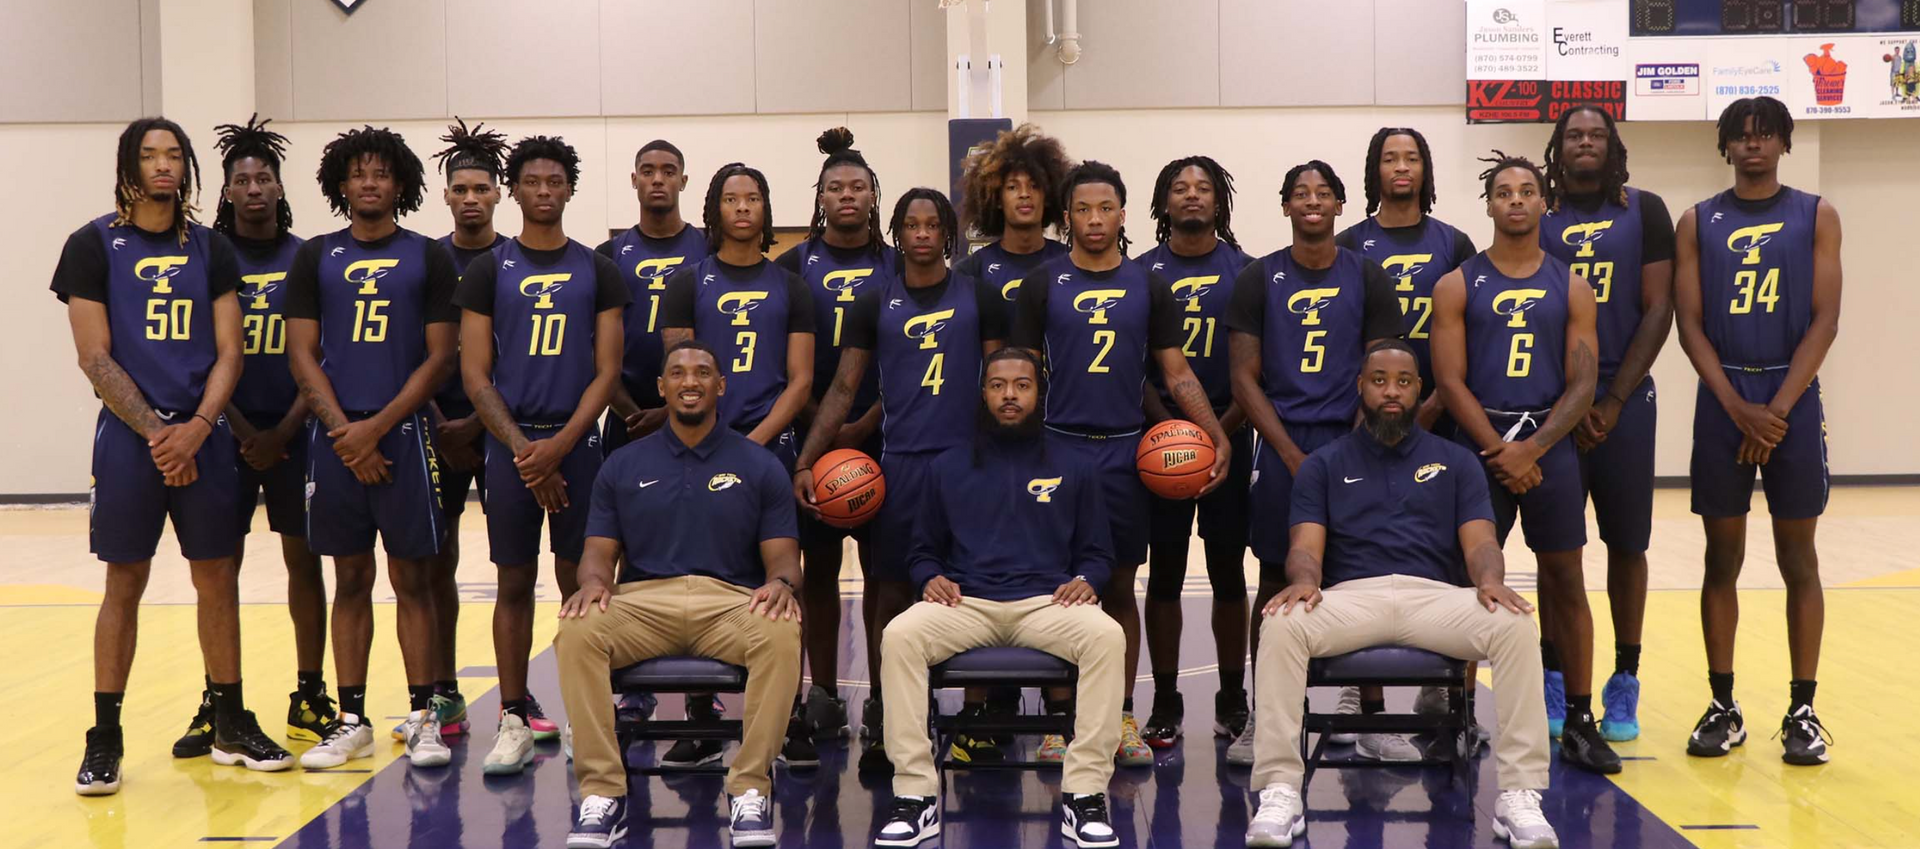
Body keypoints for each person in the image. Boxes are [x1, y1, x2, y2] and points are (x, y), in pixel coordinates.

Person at [1242, 340, 1558, 849]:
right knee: (1280, 622)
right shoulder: (1323, 464)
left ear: (1419, 391)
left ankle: (1519, 795)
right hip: (1351, 598)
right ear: (1360, 388)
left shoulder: (1456, 461)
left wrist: (1490, 580)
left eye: (1404, 382)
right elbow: (1305, 548)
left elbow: (1480, 543)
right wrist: (1303, 580)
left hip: (1433, 597)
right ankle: (1280, 789)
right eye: (1380, 380)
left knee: (1516, 624)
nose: (1392, 391)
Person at [55, 117, 291, 795]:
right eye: (150, 155)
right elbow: (93, 356)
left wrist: (198, 425)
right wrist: (160, 432)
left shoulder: (211, 248)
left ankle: (230, 717)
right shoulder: (91, 244)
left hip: (203, 436)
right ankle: (105, 736)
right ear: (128, 167)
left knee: (217, 578)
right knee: (123, 584)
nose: (164, 166)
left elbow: (231, 350)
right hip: (132, 443)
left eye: (173, 156)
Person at [1010, 160, 1232, 767]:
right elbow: (1020, 376)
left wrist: (1216, 435)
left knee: (1116, 585)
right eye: (1083, 209)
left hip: (1124, 451)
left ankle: (1121, 718)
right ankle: (1064, 721)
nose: (1095, 219)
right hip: (1056, 446)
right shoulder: (1043, 284)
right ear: (1067, 217)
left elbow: (1176, 372)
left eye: (1106, 208)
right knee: (1060, 588)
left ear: (1123, 215)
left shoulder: (1147, 284)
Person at [872, 347, 1125, 849]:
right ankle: (915, 796)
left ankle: (1085, 793)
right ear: (983, 393)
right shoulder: (947, 466)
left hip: (1047, 605)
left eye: (1022, 385)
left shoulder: (1075, 464)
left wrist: (1089, 580)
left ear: (1039, 393)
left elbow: (1098, 553)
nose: (1010, 395)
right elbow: (921, 551)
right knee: (900, 635)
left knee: (1107, 636)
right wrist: (929, 578)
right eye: (998, 385)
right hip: (966, 604)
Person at [555, 339, 803, 849]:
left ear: (721, 386)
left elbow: (783, 558)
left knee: (782, 630)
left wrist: (780, 584)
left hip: (729, 603)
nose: (691, 381)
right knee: (577, 629)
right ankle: (604, 793)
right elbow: (598, 552)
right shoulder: (623, 464)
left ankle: (751, 787)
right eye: (679, 373)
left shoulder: (758, 464)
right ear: (662, 387)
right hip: (645, 603)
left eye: (703, 372)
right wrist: (594, 584)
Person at [793, 188, 1007, 774]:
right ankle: (889, 710)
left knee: (973, 586)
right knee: (890, 588)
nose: (920, 234)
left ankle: (973, 716)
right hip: (903, 462)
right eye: (909, 225)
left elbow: (1001, 378)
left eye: (931, 224)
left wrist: (1007, 460)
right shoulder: (874, 300)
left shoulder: (979, 295)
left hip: (968, 463)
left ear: (946, 234)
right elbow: (842, 388)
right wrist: (808, 459)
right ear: (897, 232)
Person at [1430, 152, 1618, 774]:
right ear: (1488, 205)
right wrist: (1498, 450)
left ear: (1544, 204)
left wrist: (1531, 449)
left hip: (1547, 448)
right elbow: (1449, 381)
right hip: (1479, 447)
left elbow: (1583, 382)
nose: (1515, 200)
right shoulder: (1458, 283)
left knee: (1566, 579)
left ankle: (1581, 720)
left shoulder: (1572, 285)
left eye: (1526, 191)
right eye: (1503, 192)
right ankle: (1456, 716)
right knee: (1467, 584)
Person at [286, 126, 461, 770]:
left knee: (412, 577)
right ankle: (351, 717)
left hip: (405, 435)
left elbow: (441, 357)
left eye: (380, 173)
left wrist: (376, 428)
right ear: (340, 184)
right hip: (335, 436)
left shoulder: (427, 257)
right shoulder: (316, 256)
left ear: (400, 185)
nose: (368, 182)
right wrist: (344, 432)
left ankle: (421, 718)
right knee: (349, 577)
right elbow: (301, 352)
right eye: (357, 173)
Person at [1674, 96, 1840, 765]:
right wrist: (1739, 407)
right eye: (1741, 136)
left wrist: (1774, 408)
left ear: (1783, 142)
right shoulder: (1696, 220)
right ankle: (1724, 702)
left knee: (1798, 558)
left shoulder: (1816, 213)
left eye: (1764, 134)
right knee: (1722, 558)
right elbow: (1689, 324)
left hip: (1789, 399)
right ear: (1725, 145)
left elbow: (1825, 319)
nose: (1752, 145)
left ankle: (1802, 708)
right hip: (1724, 399)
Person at [454, 134, 628, 775]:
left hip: (577, 444)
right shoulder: (485, 270)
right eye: (533, 182)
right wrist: (527, 451)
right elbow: (475, 374)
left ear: (569, 190)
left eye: (556, 182)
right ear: (516, 189)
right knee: (513, 581)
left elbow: (607, 372)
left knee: (583, 583)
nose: (545, 191)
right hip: (513, 446)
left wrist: (558, 447)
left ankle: (587, 717)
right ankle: (513, 717)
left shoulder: (597, 268)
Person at [1222, 160, 1404, 766]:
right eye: (1300, 193)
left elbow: (1382, 370)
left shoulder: (1369, 276)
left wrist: (1349, 445)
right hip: (1283, 441)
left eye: (1323, 193)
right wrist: (1289, 451)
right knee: (1276, 578)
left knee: (1363, 575)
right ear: (1285, 206)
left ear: (1340, 205)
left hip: (1356, 438)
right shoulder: (1259, 277)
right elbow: (1243, 378)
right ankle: (1266, 717)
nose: (1311, 201)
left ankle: (1369, 713)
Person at [659, 162, 816, 767]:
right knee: (701, 570)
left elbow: (800, 378)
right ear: (715, 208)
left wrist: (752, 444)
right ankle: (701, 715)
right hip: (698, 446)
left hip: (767, 447)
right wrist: (718, 441)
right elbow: (681, 377)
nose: (743, 208)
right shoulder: (687, 281)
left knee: (778, 583)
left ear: (767, 208)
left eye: (753, 198)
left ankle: (789, 715)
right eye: (732, 198)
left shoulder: (791, 284)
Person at [1540, 104, 1676, 742]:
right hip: (1553, 406)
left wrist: (1614, 399)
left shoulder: (1644, 210)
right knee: (1556, 550)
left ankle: (1625, 674)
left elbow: (1658, 310)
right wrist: (1570, 401)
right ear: (1558, 148)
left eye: (1596, 134)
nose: (1585, 143)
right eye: (1574, 135)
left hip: (1622, 401)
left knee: (1628, 545)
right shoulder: (1537, 213)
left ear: (1612, 143)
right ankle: (1553, 671)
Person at [205, 115, 337, 748]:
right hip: (224, 433)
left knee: (303, 564)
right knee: (217, 569)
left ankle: (309, 691)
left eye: (265, 178)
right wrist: (235, 424)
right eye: (242, 179)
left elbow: (319, 357)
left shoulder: (305, 257)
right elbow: (200, 356)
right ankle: (218, 701)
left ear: (281, 189)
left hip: (296, 430)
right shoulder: (204, 255)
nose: (254, 188)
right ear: (226, 192)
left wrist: (282, 429)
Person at [774, 128, 899, 751]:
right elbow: (783, 364)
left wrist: (866, 419)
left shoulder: (901, 263)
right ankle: (821, 694)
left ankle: (884, 697)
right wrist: (820, 430)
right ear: (818, 198)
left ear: (875, 196)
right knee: (816, 572)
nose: (846, 195)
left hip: (885, 438)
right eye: (834, 187)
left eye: (858, 186)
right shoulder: (793, 267)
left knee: (885, 577)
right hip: (809, 442)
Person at [1134, 155, 1254, 748]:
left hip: (1232, 436)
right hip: (1161, 443)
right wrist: (1174, 430)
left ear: (1219, 200)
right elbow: (1136, 372)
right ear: (1163, 201)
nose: (1191, 196)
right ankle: (1164, 696)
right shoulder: (1137, 273)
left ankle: (1233, 694)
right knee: (1164, 577)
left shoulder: (1247, 272)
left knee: (1230, 575)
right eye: (1178, 187)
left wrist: (1219, 434)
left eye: (1203, 187)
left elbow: (1255, 371)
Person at [407, 117, 512, 743]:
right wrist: (442, 421)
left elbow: (527, 353)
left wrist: (482, 419)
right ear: (445, 195)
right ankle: (444, 691)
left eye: (481, 188)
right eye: (460, 189)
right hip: (436, 428)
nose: (471, 197)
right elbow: (414, 351)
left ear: (498, 193)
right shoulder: (426, 259)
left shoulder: (519, 257)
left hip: (500, 428)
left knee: (514, 566)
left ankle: (517, 704)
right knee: (435, 563)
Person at [1336, 127, 1477, 434]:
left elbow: (1473, 334)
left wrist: (1434, 406)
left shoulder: (1455, 244)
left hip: (1440, 408)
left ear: (1424, 170)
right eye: (1390, 159)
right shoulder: (1348, 244)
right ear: (1375, 171)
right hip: (1364, 411)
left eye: (1411, 159)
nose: (1401, 166)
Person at [599, 139, 707, 453]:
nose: (657, 179)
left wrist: (671, 411)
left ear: (683, 181)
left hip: (697, 408)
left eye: (668, 171)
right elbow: (596, 348)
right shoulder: (608, 255)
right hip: (626, 414)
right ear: (634, 180)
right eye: (648, 171)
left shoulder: (709, 248)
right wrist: (631, 413)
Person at [954, 123, 1072, 303]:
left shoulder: (1071, 262)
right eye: (1012, 187)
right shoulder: (971, 272)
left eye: (1034, 185)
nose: (1024, 194)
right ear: (997, 199)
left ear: (1048, 195)